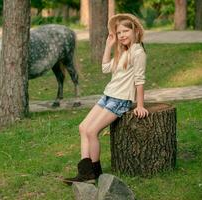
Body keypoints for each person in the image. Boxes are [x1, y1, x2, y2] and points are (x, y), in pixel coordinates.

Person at [63, 13, 149, 185]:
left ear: (135, 31)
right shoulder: (123, 51)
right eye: (119, 33)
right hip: (108, 96)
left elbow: (139, 80)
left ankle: (94, 172)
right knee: (83, 127)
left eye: (126, 31)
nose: (122, 35)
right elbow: (104, 68)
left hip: (120, 100)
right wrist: (108, 46)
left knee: (92, 131)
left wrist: (140, 105)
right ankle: (84, 171)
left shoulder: (138, 52)